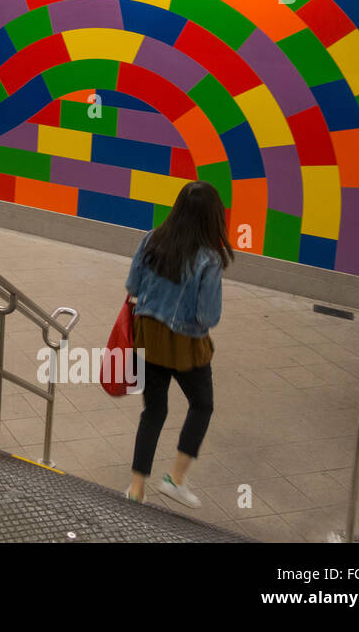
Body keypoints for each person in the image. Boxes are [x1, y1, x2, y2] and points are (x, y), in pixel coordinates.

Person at [124, 180, 231, 507]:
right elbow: (208, 316)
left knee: (153, 411)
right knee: (202, 405)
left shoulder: (151, 239)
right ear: (212, 217)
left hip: (147, 336)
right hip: (185, 345)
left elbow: (132, 285)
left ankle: (136, 488)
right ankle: (175, 479)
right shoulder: (209, 259)